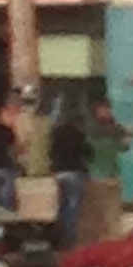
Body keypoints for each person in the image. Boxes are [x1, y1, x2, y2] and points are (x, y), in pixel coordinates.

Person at [47, 100, 93, 248]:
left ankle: (58, 236)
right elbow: (88, 153)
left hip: (59, 172)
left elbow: (51, 152)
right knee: (73, 206)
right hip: (74, 172)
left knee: (61, 206)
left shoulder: (56, 133)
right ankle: (69, 239)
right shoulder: (78, 135)